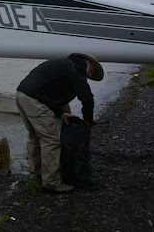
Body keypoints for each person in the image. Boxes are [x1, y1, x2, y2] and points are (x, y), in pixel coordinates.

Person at [16, 53, 103, 193]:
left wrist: (60, 113)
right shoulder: (76, 68)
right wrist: (88, 119)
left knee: (35, 138)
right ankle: (51, 183)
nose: (89, 76)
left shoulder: (64, 65)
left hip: (22, 94)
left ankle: (36, 176)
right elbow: (87, 98)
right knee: (51, 141)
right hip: (34, 99)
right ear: (89, 65)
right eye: (91, 72)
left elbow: (48, 92)